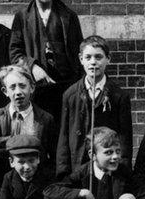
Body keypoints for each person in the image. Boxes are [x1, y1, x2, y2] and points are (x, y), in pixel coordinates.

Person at [9, 0, 83, 128]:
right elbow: (15, 52)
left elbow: (79, 53)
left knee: (64, 131)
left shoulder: (69, 16)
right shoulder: (22, 18)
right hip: (36, 89)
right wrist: (33, 66)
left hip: (65, 87)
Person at [57, 35, 133, 179]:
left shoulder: (119, 96)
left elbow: (125, 137)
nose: (93, 62)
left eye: (98, 57)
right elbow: (64, 135)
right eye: (88, 57)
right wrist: (63, 170)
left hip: (108, 165)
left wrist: (123, 167)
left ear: (108, 59)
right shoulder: (70, 95)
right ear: (81, 59)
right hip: (79, 164)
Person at [0, 64, 58, 162]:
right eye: (12, 87)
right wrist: (11, 140)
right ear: (5, 91)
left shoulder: (46, 119)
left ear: (32, 88)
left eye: (22, 86)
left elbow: (54, 153)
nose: (18, 92)